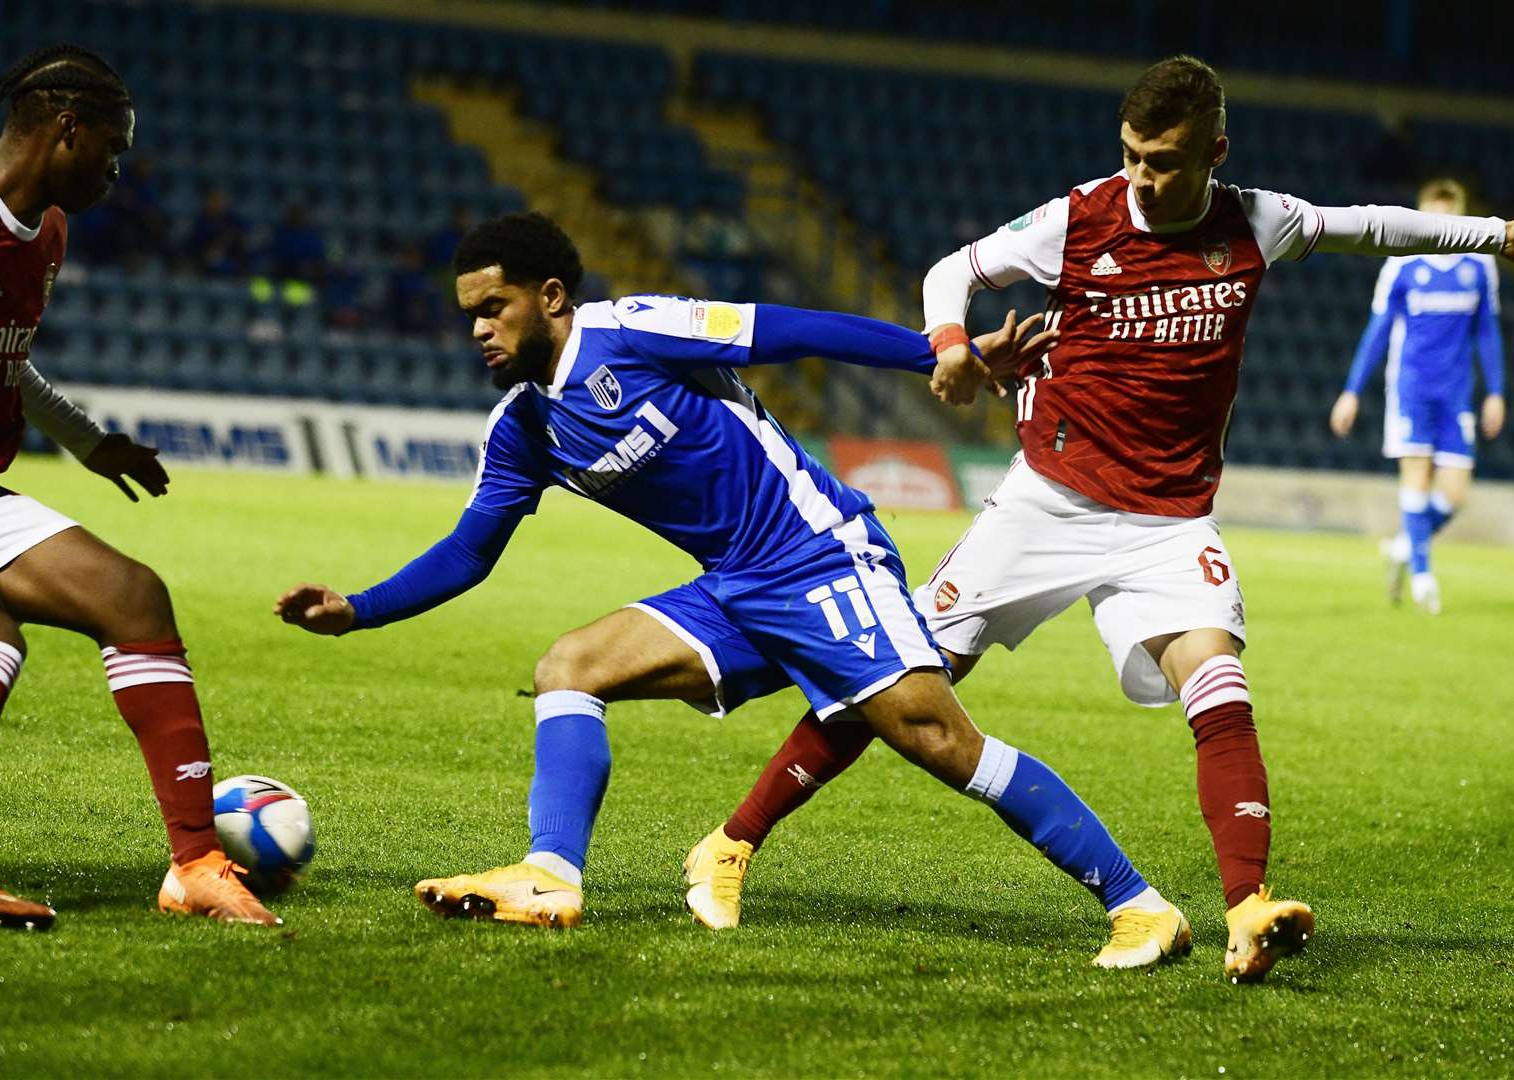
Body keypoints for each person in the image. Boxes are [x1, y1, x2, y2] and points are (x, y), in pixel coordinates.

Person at [687, 55, 1514, 983]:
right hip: (1048, 499)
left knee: (1220, 683)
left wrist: (1499, 238)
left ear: (1216, 151)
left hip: (1169, 520)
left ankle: (1247, 908)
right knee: (899, 682)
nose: (1142, 177)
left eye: (1164, 161)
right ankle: (729, 844)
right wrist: (949, 346)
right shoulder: (1079, 217)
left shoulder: (1257, 221)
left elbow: (1371, 226)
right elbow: (952, 272)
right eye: (1131, 155)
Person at [276, 211, 1191, 969]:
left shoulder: (632, 330)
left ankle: (1142, 906)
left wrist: (937, 355)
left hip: (820, 558)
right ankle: (550, 877)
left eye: (493, 307)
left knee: (939, 742)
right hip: (735, 587)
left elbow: (783, 329)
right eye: (468, 314)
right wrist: (360, 609)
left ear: (550, 298)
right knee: (571, 667)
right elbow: (470, 551)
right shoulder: (523, 429)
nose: (478, 328)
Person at [0, 45, 276, 929]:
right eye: (112, 149)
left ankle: (196, 864)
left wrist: (88, 441)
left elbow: (8, 360)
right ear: (64, 129)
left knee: (133, 597)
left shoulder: (46, 227)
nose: (119, 172)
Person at [1329, 178, 1505, 613]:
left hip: (1457, 394)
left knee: (1454, 494)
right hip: (1410, 389)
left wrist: (1496, 392)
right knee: (1416, 478)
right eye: (1432, 217)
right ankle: (1424, 578)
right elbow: (1378, 331)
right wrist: (1352, 391)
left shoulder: (1479, 265)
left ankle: (1407, 545)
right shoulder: (1402, 265)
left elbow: (1487, 331)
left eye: (1448, 217)